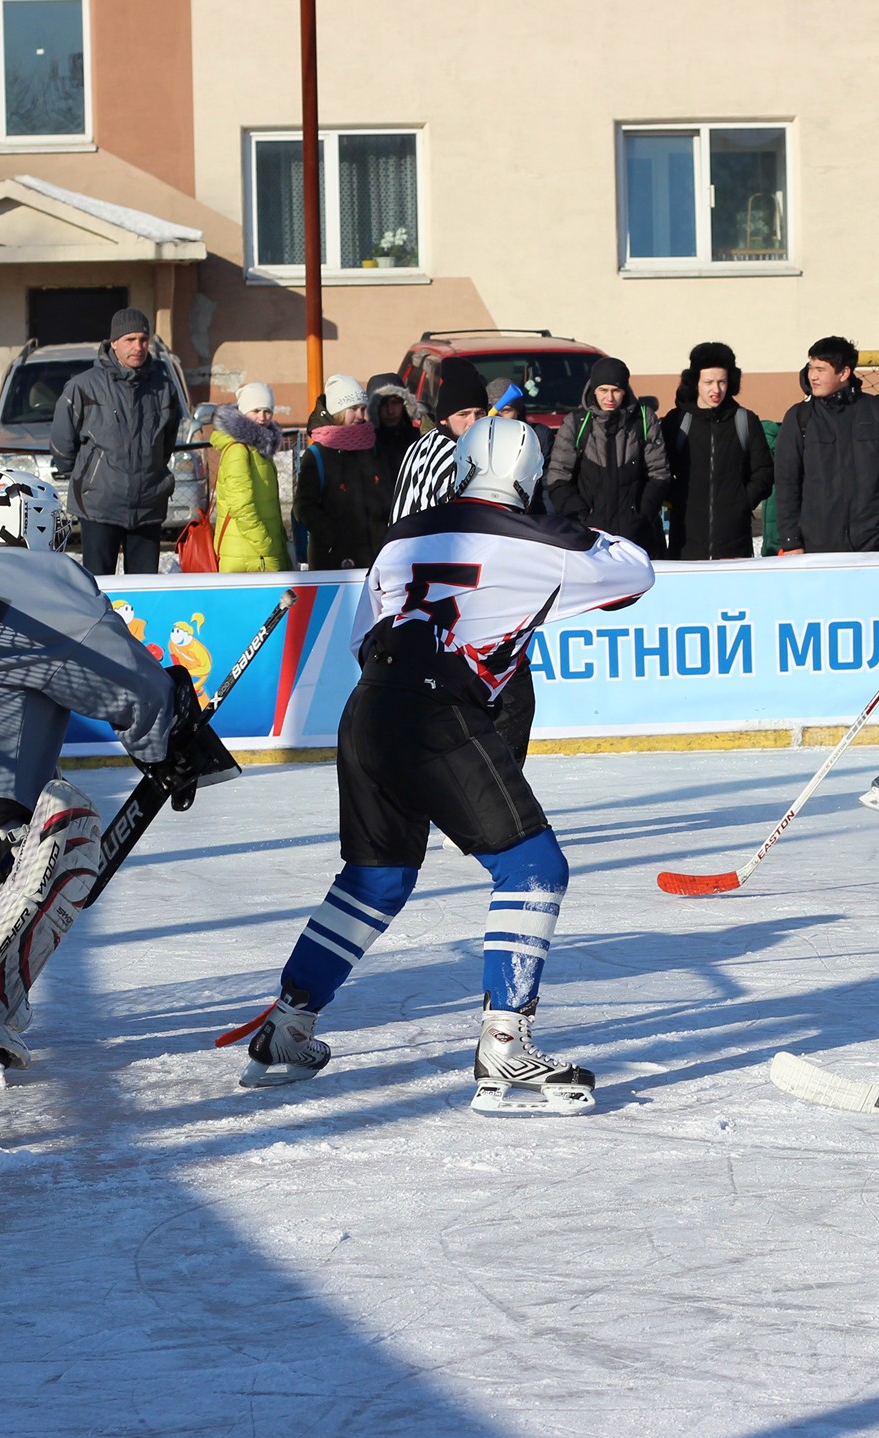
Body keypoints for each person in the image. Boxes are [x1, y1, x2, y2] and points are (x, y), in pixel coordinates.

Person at [239, 418, 657, 1112]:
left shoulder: (402, 536)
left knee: (375, 878)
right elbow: (634, 570)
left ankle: (287, 1024)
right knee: (533, 867)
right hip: (438, 711)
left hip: (368, 705)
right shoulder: (538, 540)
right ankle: (505, 1046)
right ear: (528, 476)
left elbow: (360, 638)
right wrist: (559, 530)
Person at [0, 469, 220, 1074]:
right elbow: (122, 680)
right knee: (72, 834)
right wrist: (166, 740)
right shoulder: (43, 579)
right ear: (36, 523)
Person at [49, 307, 186, 576]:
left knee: (143, 593)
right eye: (130, 340)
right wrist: (87, 478)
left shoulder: (163, 387)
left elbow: (167, 441)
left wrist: (152, 471)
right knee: (99, 589)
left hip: (148, 506)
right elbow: (62, 442)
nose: (138, 346)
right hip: (99, 506)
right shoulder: (84, 386)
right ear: (113, 343)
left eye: (143, 340)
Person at [773, 336, 879, 555]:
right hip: (817, 547)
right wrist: (791, 541)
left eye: (821, 369)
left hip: (876, 544)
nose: (813, 376)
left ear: (844, 373)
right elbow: (786, 482)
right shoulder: (799, 417)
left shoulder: (877, 410)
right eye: (811, 367)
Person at [544, 355, 671, 555]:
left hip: (638, 537)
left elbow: (659, 474)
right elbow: (558, 477)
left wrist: (641, 515)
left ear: (625, 390)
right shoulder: (576, 423)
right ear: (593, 390)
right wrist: (580, 518)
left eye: (616, 391)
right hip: (589, 539)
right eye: (603, 390)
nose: (609, 398)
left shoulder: (644, 420)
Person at [665, 341, 774, 559]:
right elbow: (659, 470)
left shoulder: (745, 421)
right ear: (695, 381)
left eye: (722, 382)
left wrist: (742, 501)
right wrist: (679, 499)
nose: (716, 390)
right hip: (686, 542)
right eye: (708, 382)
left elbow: (764, 472)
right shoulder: (677, 422)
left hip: (734, 543)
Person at [295, 373, 392, 570]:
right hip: (334, 562)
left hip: (376, 557)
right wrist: (333, 535)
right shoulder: (317, 454)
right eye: (353, 409)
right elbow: (303, 506)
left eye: (363, 409)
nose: (360, 415)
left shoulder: (372, 447)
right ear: (337, 411)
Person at [391, 356, 491, 523]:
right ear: (444, 418)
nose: (473, 422)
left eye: (480, 413)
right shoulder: (454, 457)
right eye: (463, 414)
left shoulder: (425, 443)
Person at [206, 382, 289, 572]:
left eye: (267, 411)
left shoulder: (259, 449)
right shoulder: (239, 450)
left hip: (256, 553)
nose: (262, 417)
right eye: (256, 410)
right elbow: (241, 505)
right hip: (250, 555)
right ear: (243, 412)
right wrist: (265, 543)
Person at [366, 372, 424, 483]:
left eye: (395, 402)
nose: (390, 411)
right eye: (383, 404)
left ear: (405, 404)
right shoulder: (366, 446)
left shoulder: (417, 441)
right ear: (374, 408)